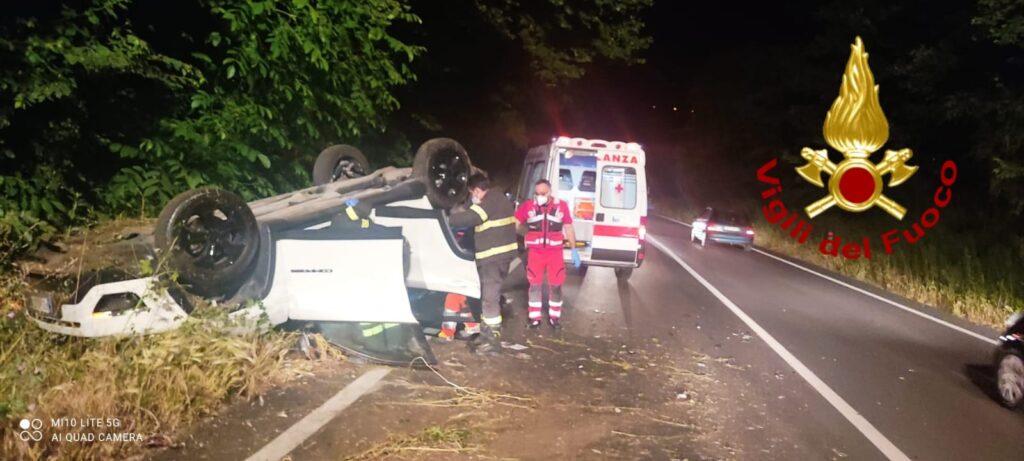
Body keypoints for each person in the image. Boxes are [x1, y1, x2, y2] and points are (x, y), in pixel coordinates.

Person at [448, 173, 518, 353]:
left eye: (473, 193)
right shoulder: (497, 199)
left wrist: (444, 219)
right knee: (487, 297)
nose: (473, 197)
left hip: (494, 258)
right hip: (496, 257)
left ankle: (493, 340)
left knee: (489, 298)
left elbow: (471, 218)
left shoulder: (492, 199)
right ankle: (486, 333)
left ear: (477, 190)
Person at [515, 179, 580, 330]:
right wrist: (517, 238)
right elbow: (515, 222)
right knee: (535, 285)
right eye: (537, 193)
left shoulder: (561, 206)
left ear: (550, 192)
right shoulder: (528, 206)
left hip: (554, 253)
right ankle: (534, 318)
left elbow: (569, 227)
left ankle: (555, 318)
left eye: (543, 193)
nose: (540, 196)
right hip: (535, 253)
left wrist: (574, 248)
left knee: (556, 285)